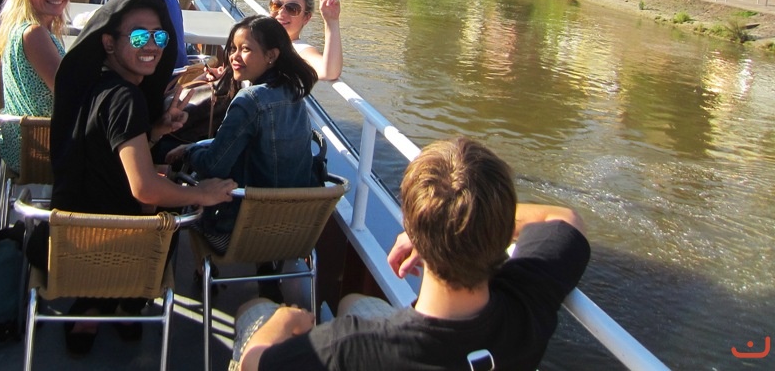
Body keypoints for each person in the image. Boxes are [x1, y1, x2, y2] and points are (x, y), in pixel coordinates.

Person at [232, 136, 591, 371]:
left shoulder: (350, 348)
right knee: (353, 301)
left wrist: (283, 320)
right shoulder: (528, 303)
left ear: (412, 226)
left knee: (256, 311)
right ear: (500, 230)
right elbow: (562, 219)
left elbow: (253, 363)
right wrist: (469, 220)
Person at [46, 0, 236, 353]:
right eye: (138, 36)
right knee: (170, 206)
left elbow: (101, 149)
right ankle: (127, 303)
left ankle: (93, 307)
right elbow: (144, 188)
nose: (152, 45)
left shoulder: (94, 84)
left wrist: (156, 131)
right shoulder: (126, 98)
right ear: (109, 43)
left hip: (68, 242)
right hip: (115, 248)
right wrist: (203, 193)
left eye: (159, 37)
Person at [166, 15, 317, 253]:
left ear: (271, 55)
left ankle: (177, 267)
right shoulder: (293, 92)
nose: (233, 57)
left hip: (237, 233)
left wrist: (189, 152)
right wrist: (194, 147)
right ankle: (269, 271)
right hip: (290, 231)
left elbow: (214, 166)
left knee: (175, 191)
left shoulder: (250, 100)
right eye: (233, 49)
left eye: (245, 49)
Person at [0, 0, 71, 173]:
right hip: (41, 146)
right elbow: (69, 93)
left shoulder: (28, 28)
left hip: (30, 141)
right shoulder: (34, 33)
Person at [270, 0, 342, 81]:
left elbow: (328, 72)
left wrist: (331, 21)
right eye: (276, 5)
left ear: (306, 18)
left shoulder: (298, 49)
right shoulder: (256, 33)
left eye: (292, 8)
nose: (281, 12)